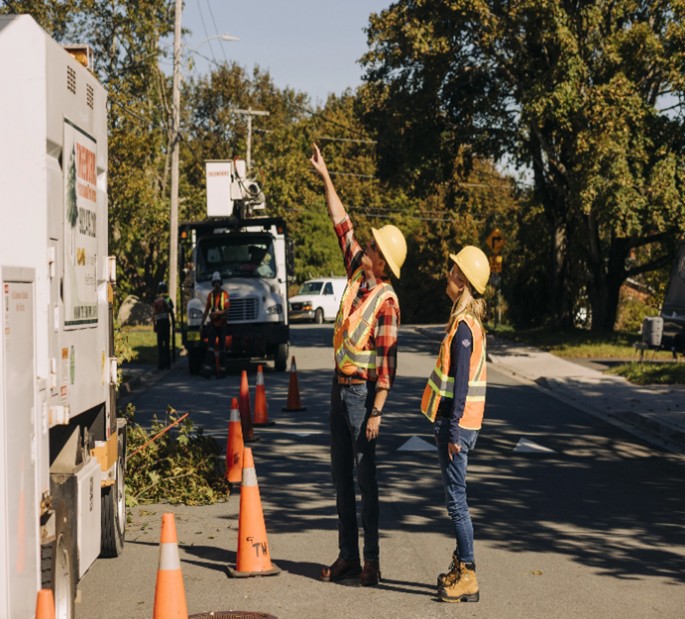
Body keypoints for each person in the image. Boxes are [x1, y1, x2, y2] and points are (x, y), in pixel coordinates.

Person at [310, 143, 407, 587]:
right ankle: (348, 556)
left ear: (381, 261)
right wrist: (326, 175)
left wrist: (377, 410)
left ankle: (372, 562)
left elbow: (387, 363)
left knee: (365, 481)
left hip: (362, 397)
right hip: (338, 389)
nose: (363, 245)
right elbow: (340, 222)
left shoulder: (386, 301)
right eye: (366, 243)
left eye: (370, 246)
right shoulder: (356, 276)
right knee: (341, 480)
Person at [420, 246, 490, 603]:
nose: (447, 274)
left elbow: (460, 382)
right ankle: (461, 566)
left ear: (461, 281)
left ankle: (468, 573)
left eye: (452, 270)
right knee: (456, 498)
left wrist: (452, 430)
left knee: (456, 501)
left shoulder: (464, 328)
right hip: (459, 424)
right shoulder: (467, 322)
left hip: (457, 425)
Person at [201, 271, 230, 377]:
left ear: (220, 283)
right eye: (215, 282)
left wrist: (216, 313)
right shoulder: (210, 296)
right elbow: (206, 310)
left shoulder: (225, 294)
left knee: (222, 349)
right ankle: (207, 370)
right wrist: (201, 324)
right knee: (210, 348)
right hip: (213, 325)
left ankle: (222, 371)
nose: (216, 284)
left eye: (218, 282)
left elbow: (227, 311)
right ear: (213, 283)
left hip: (222, 324)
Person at [152, 281, 174, 370]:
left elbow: (154, 314)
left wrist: (154, 325)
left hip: (159, 325)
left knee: (160, 345)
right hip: (166, 324)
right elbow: (171, 312)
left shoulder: (156, 300)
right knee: (167, 345)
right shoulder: (168, 299)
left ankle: (161, 365)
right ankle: (168, 364)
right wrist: (174, 323)